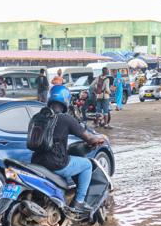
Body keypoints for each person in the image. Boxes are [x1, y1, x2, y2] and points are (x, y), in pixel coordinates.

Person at [30, 85, 107, 217]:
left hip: (36, 161)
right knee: (87, 165)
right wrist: (100, 138)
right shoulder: (66, 119)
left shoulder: (38, 117)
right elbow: (89, 138)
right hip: (56, 162)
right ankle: (79, 202)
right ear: (66, 100)